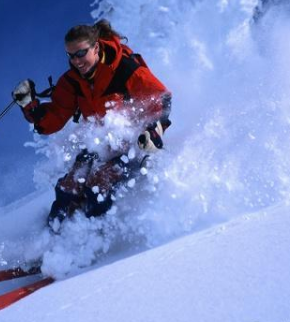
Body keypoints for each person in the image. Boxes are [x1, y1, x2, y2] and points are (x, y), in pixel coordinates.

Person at [12, 19, 171, 229]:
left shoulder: (124, 68)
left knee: (98, 183)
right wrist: (29, 106)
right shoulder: (72, 82)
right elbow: (54, 119)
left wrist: (155, 130)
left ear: (96, 47)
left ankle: (93, 241)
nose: (76, 61)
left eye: (81, 53)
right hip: (100, 144)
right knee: (69, 187)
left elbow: (160, 99)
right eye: (70, 55)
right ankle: (50, 242)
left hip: (134, 144)